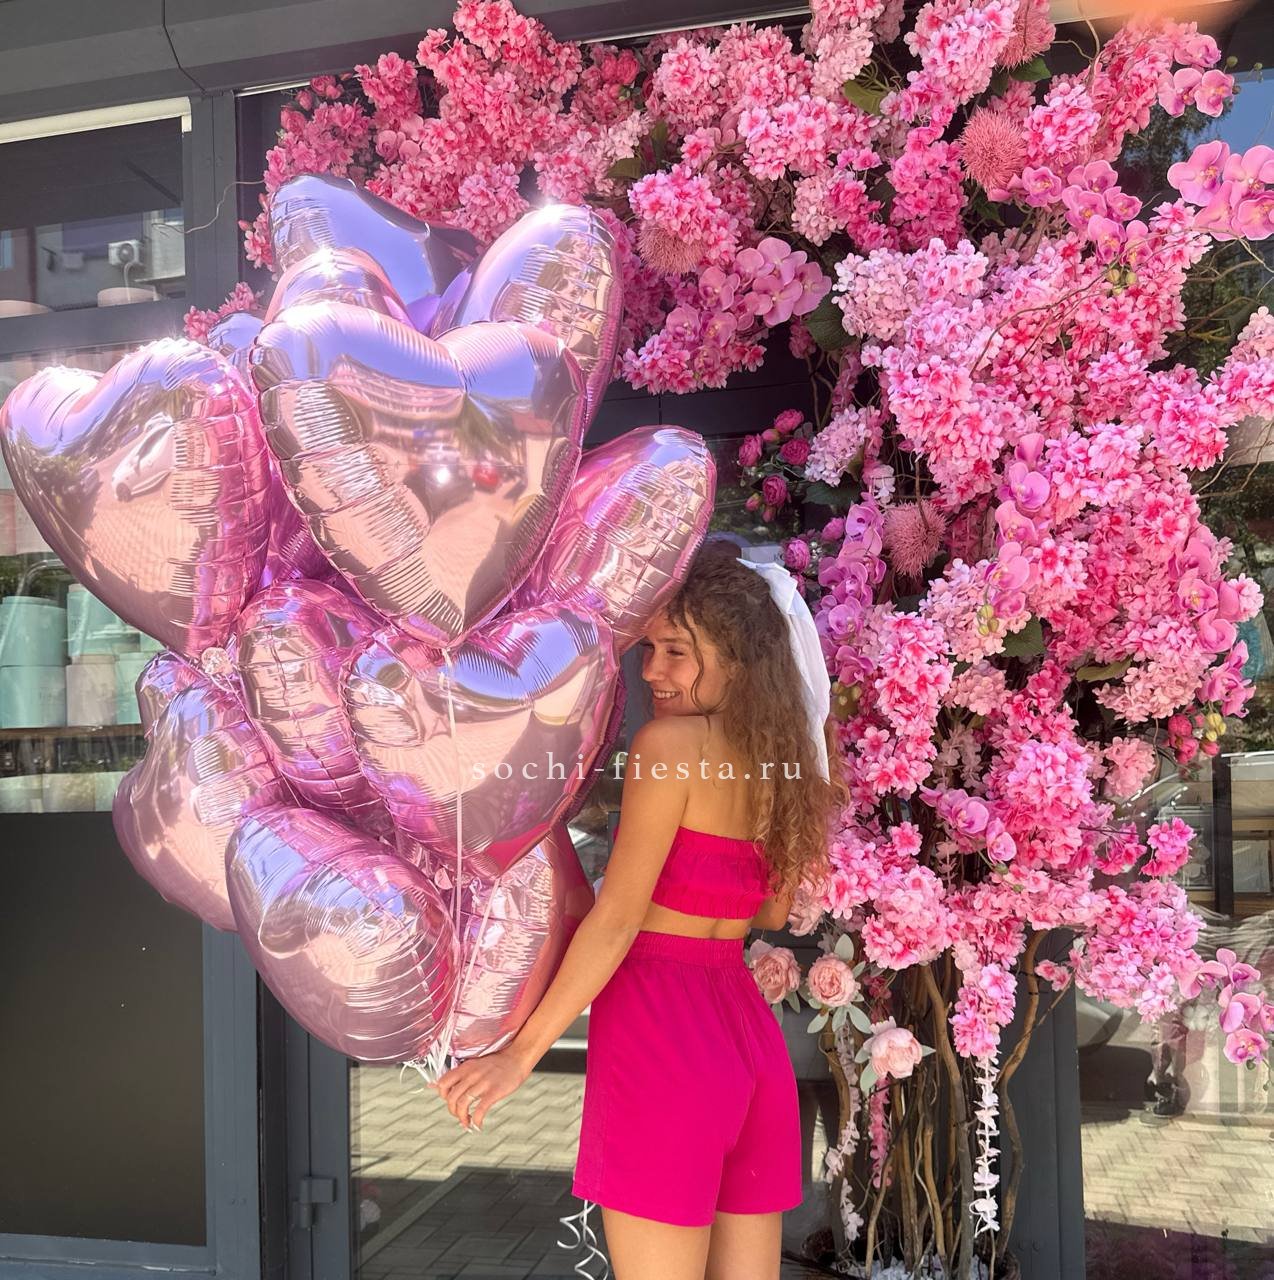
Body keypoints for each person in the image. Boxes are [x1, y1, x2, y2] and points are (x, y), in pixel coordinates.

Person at [428, 539, 845, 1280]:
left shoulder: (668, 746)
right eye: (649, 648)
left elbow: (619, 921)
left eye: (677, 652)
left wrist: (519, 1056)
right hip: (750, 1045)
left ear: (739, 661)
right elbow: (770, 911)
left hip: (663, 1039)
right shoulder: (780, 763)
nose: (651, 670)